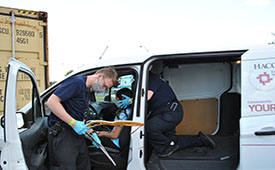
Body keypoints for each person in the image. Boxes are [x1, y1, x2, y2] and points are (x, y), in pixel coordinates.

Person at [46, 67, 118, 170]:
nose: (103, 90)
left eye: (106, 89)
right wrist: (73, 123)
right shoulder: (76, 82)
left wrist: (91, 132)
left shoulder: (87, 90)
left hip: (76, 135)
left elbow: (79, 114)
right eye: (104, 86)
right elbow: (51, 102)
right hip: (64, 134)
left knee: (84, 166)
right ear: (99, 76)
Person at [146, 72, 216, 158]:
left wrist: (131, 100)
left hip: (169, 111)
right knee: (169, 138)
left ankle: (168, 146)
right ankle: (199, 140)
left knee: (148, 128)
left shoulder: (151, 79)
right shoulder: (152, 79)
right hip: (170, 110)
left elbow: (146, 97)